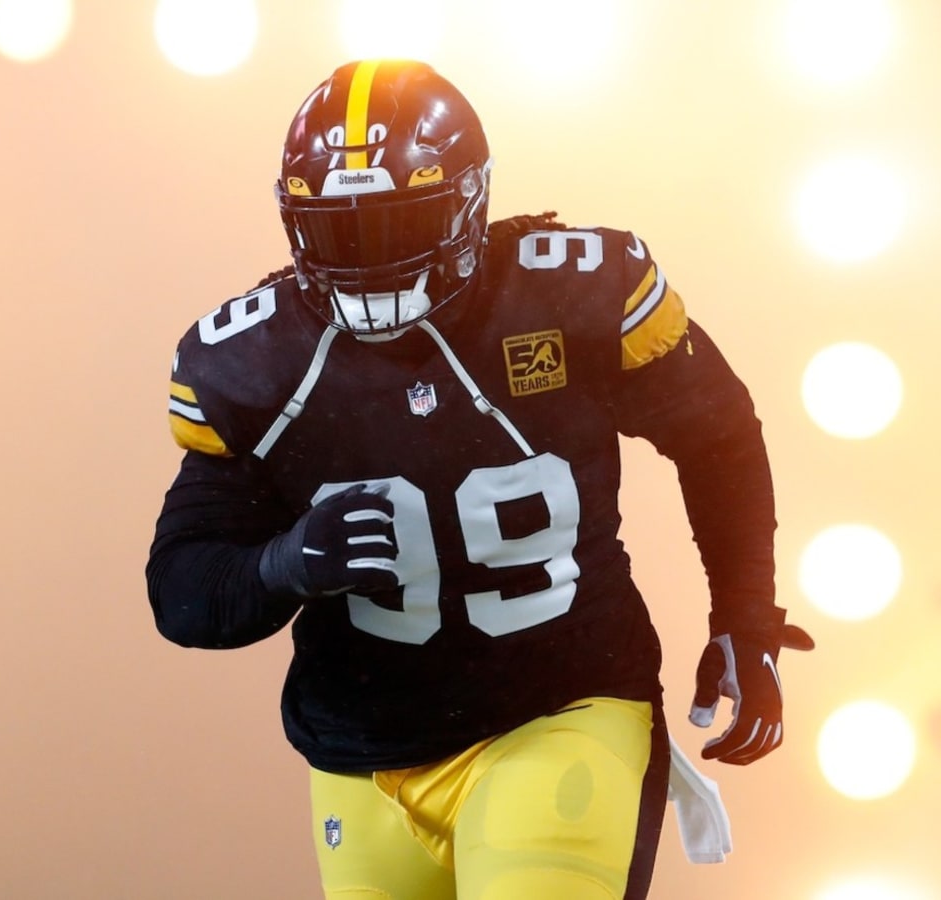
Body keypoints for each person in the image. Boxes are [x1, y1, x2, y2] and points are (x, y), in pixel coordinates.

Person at [146, 59, 813, 900]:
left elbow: (716, 435)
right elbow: (181, 590)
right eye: (343, 232)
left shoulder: (565, 296)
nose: (370, 263)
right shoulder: (254, 365)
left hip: (559, 709)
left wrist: (745, 612)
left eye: (398, 225)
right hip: (360, 750)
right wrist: (283, 564)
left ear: (470, 201)